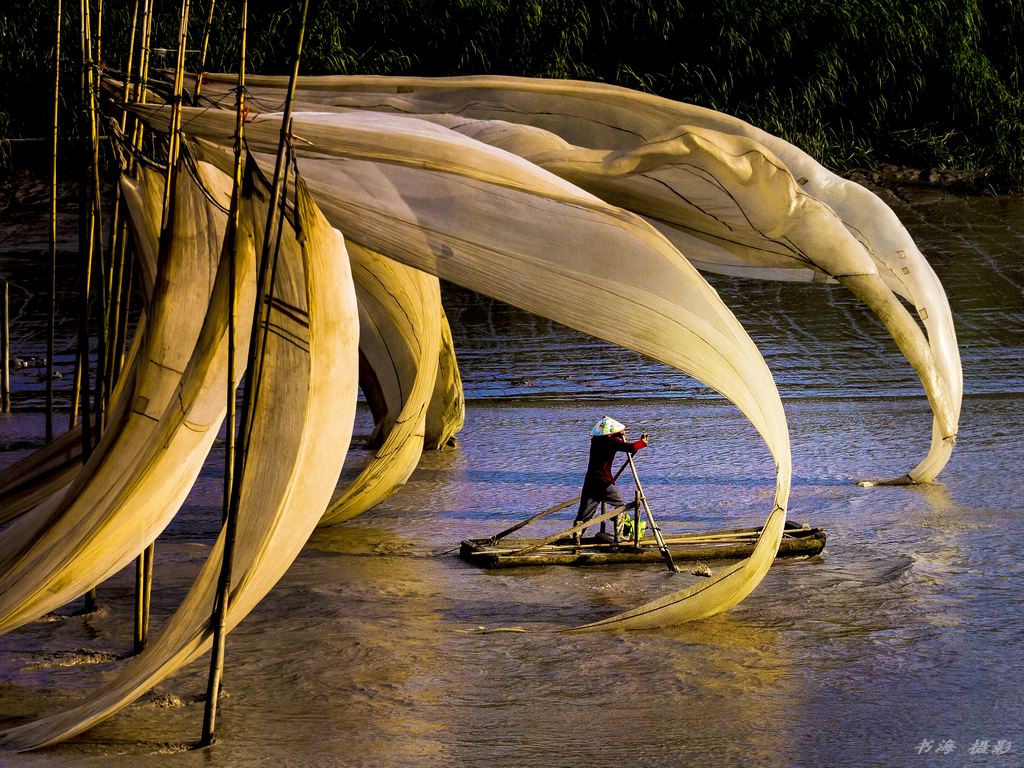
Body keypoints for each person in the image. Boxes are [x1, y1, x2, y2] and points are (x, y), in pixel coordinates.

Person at [573, 416, 648, 542]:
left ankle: (576, 538)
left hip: (590, 481)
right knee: (620, 504)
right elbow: (629, 447)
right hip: (603, 481)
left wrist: (618, 434)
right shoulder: (610, 442)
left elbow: (613, 439)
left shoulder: (595, 441)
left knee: (585, 514)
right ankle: (618, 536)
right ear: (610, 433)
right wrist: (642, 443)